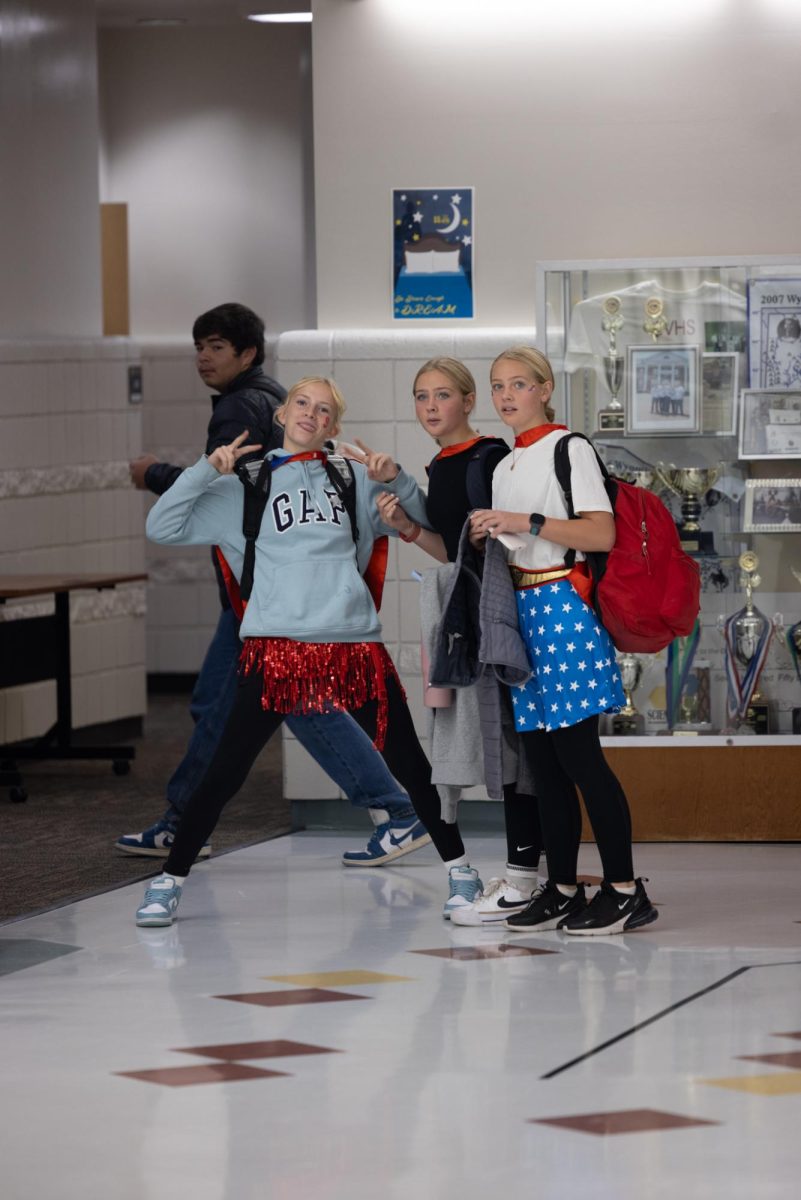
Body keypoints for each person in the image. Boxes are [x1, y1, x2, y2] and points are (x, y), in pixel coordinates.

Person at [134, 376, 455, 927]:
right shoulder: (243, 484)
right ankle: (169, 880)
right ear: (283, 414)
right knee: (224, 773)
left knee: (411, 763)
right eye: (303, 403)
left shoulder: (350, 477)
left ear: (333, 426)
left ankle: (462, 872)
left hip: (351, 645)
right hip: (274, 650)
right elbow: (162, 525)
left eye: (325, 410)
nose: (312, 414)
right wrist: (205, 471)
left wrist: (396, 480)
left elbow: (427, 528)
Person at [468, 346, 658, 936]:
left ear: (545, 388)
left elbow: (600, 534)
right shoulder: (503, 466)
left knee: (579, 756)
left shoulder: (570, 448)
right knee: (543, 765)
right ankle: (564, 887)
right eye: (498, 386)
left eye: (519, 384)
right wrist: (488, 533)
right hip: (523, 608)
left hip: (563, 607)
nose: (506, 396)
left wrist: (522, 523)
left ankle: (626, 890)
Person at [371, 357, 544, 924]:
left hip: (506, 618)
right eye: (421, 397)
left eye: (442, 395)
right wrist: (408, 530)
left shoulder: (488, 458)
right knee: (502, 744)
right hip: (472, 620)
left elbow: (516, 536)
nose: (430, 407)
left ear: (469, 402)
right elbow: (453, 552)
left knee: (518, 747)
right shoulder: (443, 466)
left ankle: (528, 876)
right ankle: (527, 874)